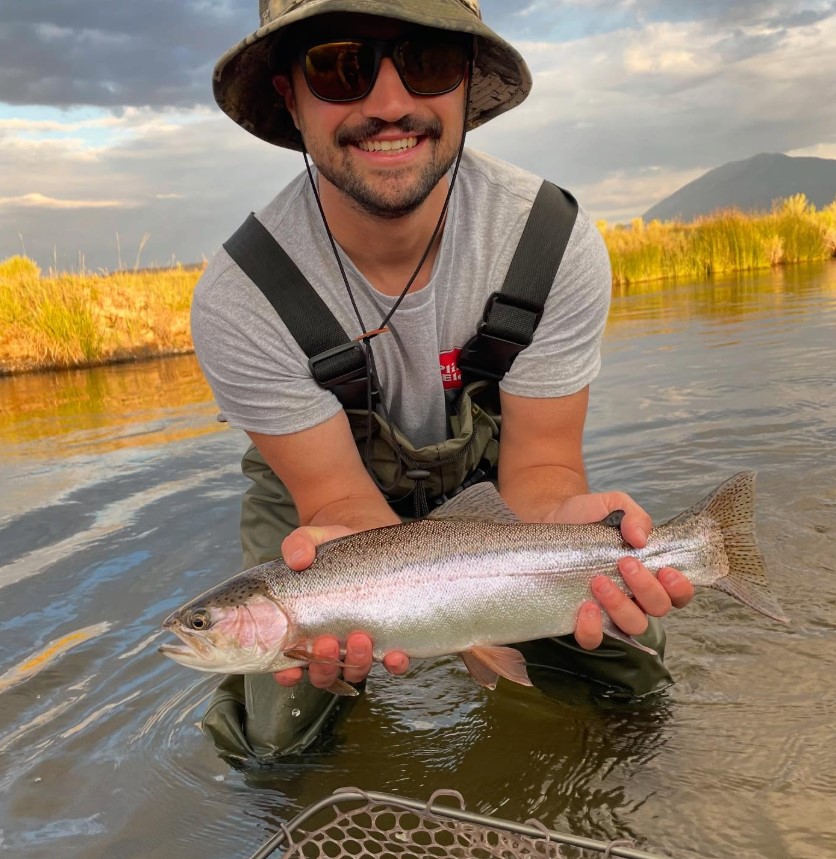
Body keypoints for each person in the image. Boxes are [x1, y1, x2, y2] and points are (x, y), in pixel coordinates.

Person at [190, 0, 695, 762]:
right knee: (276, 737)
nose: (389, 105)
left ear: (466, 82)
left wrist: (569, 521)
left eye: (425, 62)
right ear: (290, 96)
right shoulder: (241, 296)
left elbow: (543, 472)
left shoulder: (550, 242)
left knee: (633, 670)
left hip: (499, 486)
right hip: (324, 518)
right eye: (340, 66)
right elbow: (336, 503)